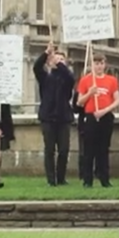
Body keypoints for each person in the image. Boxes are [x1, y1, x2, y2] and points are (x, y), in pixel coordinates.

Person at [33, 42, 75, 187]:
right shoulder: (45, 77)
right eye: (56, 59)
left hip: (63, 118)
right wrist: (46, 53)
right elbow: (36, 67)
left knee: (63, 150)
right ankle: (51, 180)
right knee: (49, 149)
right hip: (48, 118)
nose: (58, 62)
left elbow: (70, 78)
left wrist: (60, 64)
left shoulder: (67, 79)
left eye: (62, 60)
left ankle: (61, 177)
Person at [75, 53, 119, 188]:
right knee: (89, 150)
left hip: (105, 116)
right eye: (96, 63)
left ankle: (104, 178)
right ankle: (87, 180)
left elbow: (117, 100)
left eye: (101, 63)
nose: (99, 66)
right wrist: (90, 93)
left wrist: (105, 110)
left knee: (104, 149)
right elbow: (79, 102)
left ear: (104, 65)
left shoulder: (112, 80)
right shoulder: (85, 80)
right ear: (92, 65)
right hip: (91, 116)